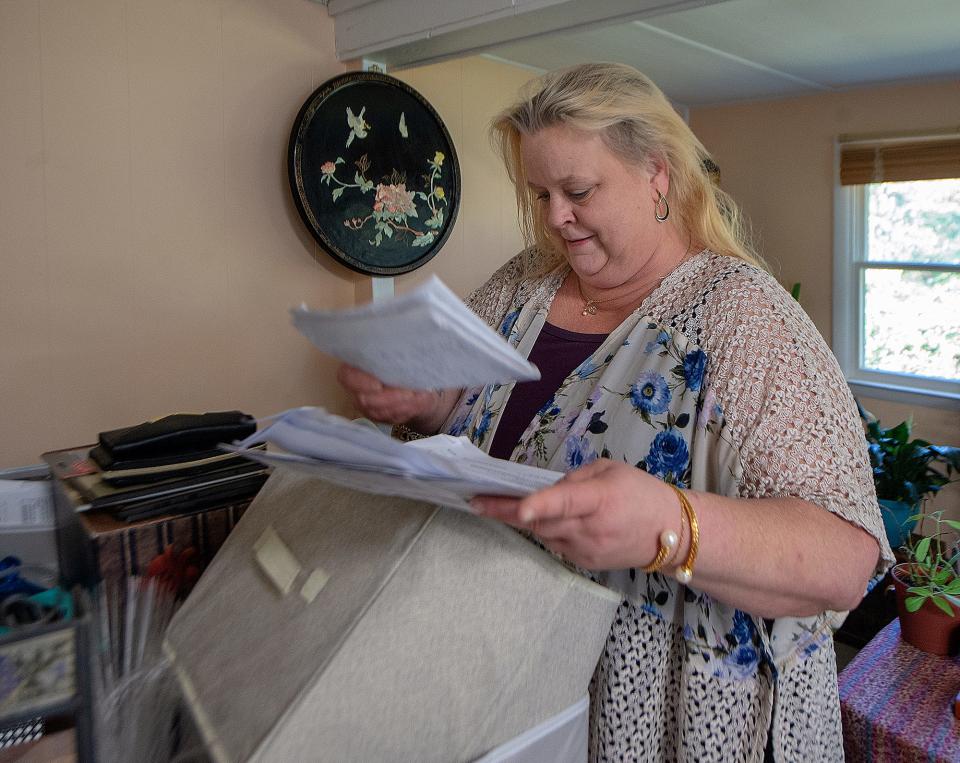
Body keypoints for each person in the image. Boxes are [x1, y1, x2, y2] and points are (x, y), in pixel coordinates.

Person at [337, 62, 892, 761]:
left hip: (671, 711)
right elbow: (484, 421)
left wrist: (669, 525)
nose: (553, 217)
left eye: (577, 190)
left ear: (656, 174)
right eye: (538, 193)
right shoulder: (524, 283)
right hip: (513, 677)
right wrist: (427, 402)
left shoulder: (740, 315)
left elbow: (844, 557)